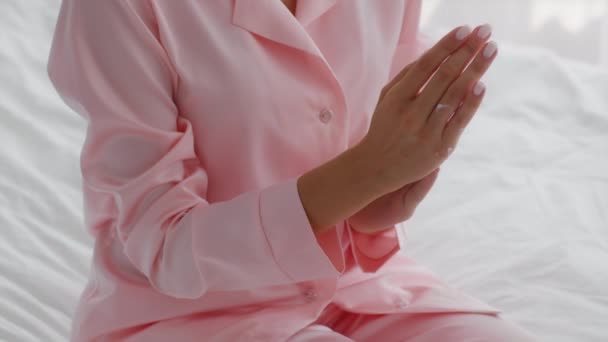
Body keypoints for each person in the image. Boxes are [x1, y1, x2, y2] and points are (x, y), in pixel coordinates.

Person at [47, 0, 537, 341]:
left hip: (350, 290)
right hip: (183, 318)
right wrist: (367, 171)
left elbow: (368, 171)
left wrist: (385, 198)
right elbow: (164, 244)